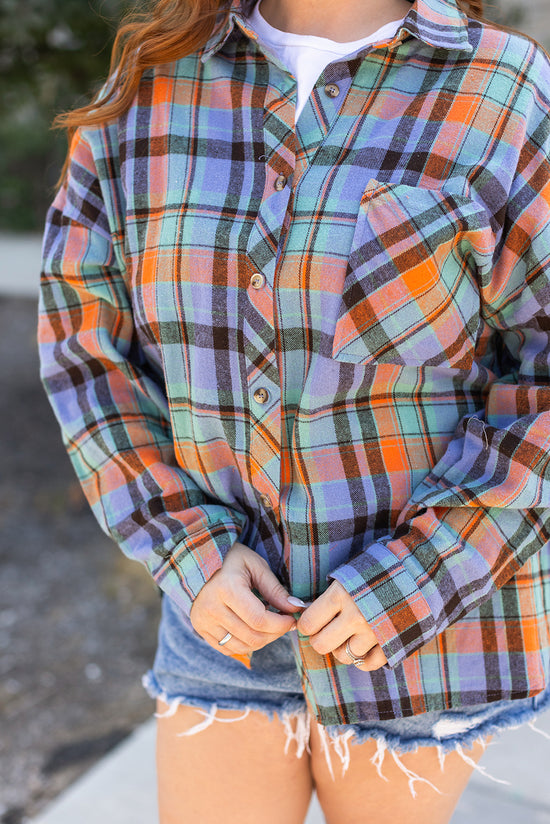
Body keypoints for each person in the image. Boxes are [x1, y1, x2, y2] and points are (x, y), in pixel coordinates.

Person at [38, 0, 550, 821]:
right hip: (221, 621)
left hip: (421, 630)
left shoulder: (502, 88)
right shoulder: (150, 84)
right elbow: (84, 345)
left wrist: (416, 578)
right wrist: (188, 550)